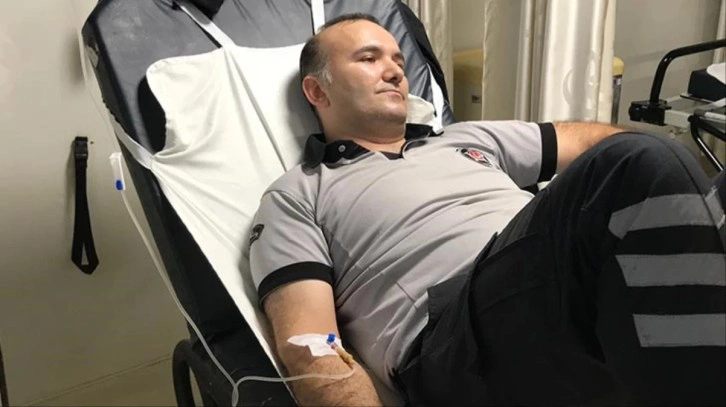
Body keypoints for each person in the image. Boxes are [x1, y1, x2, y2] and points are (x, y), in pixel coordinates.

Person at [249, 13, 726, 406]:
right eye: (369, 59)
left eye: (398, 59)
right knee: (639, 160)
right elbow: (311, 347)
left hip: (555, 290)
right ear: (317, 91)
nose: (395, 72)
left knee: (652, 165)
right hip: (455, 336)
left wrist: (673, 195)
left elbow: (585, 141)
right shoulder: (298, 193)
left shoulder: (466, 137)